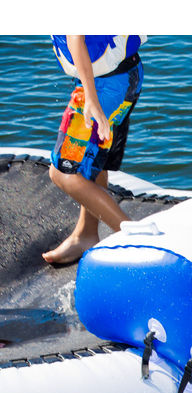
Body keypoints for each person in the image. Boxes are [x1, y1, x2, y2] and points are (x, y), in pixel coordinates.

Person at [44, 35, 146, 265]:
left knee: (63, 173)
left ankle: (140, 244)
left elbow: (75, 36)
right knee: (94, 159)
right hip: (123, 76)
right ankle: (86, 234)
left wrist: (91, 99)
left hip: (104, 88)